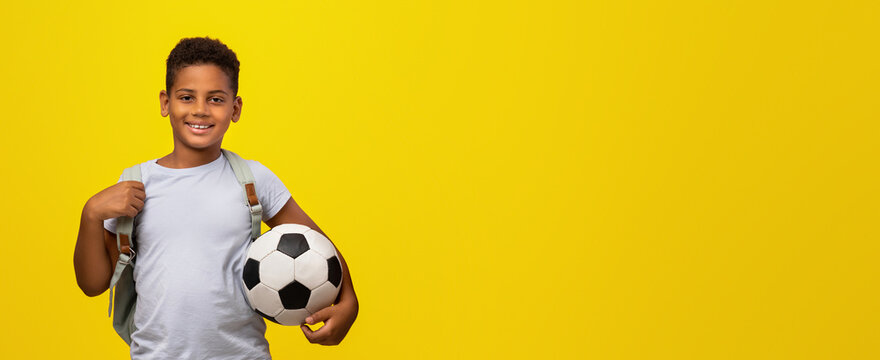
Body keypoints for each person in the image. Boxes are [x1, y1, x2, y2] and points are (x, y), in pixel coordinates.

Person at [73, 37, 359, 359]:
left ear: (235, 109)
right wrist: (90, 214)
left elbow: (318, 247)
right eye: (187, 97)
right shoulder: (136, 185)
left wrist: (349, 301)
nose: (200, 110)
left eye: (216, 99)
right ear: (165, 103)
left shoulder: (253, 179)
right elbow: (93, 284)